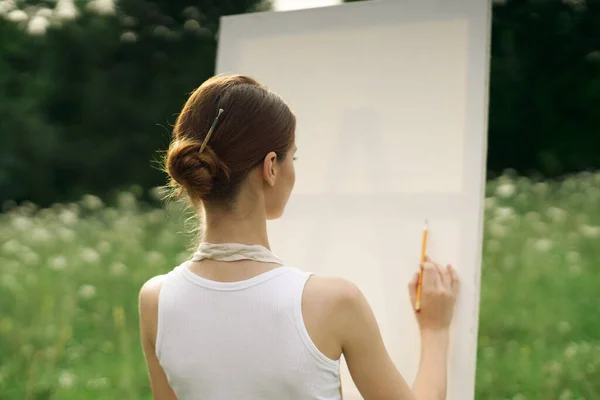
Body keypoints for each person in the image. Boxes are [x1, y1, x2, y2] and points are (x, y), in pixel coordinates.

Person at [138, 74, 460, 400]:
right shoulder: (334, 302)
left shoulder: (155, 301)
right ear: (271, 167)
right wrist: (436, 328)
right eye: (294, 156)